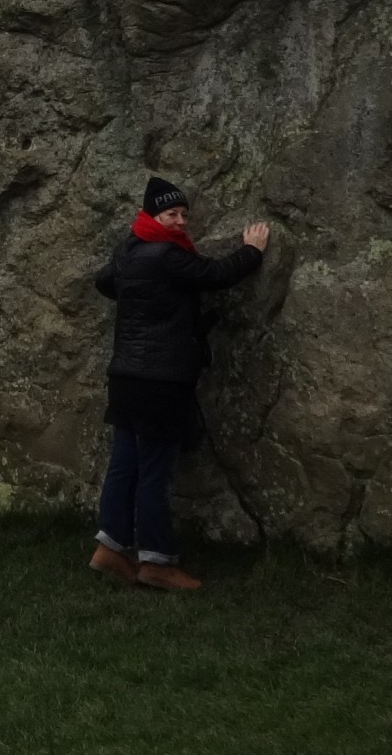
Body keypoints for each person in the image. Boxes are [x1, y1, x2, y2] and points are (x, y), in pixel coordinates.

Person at [90, 176, 269, 592]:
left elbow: (103, 282)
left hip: (125, 378)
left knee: (124, 465)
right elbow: (216, 273)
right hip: (160, 381)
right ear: (152, 215)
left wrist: (140, 296)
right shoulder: (169, 257)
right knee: (154, 471)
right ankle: (156, 561)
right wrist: (252, 250)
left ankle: (111, 547)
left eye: (185, 215)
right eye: (171, 213)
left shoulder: (127, 253)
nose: (181, 221)